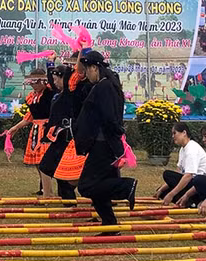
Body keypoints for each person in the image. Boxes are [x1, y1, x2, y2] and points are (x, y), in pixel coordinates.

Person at [74, 50, 136, 231]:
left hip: (103, 144)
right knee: (99, 187)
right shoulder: (105, 85)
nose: (86, 74)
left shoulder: (104, 87)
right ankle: (110, 224)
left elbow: (109, 117)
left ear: (94, 68)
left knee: (86, 186)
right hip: (103, 143)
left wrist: (115, 136)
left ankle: (126, 187)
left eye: (87, 70)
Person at [5, 68, 55, 196]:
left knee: (45, 160)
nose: (33, 85)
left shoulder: (50, 93)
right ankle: (43, 187)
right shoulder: (32, 97)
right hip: (36, 130)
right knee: (37, 161)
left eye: (36, 82)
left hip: (48, 129)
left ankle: (48, 192)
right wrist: (15, 128)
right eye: (32, 82)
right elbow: (29, 117)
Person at [51, 51, 93, 200]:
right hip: (73, 131)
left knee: (88, 172)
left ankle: (101, 199)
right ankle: (69, 201)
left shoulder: (92, 84)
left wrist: (83, 50)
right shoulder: (72, 83)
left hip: (87, 132)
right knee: (64, 173)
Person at [37, 63, 76, 200]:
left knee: (46, 166)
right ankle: (67, 200)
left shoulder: (70, 94)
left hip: (66, 137)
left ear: (64, 79)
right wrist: (50, 63)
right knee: (60, 174)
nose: (54, 83)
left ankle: (48, 195)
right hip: (58, 137)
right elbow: (53, 81)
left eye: (56, 79)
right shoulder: (58, 94)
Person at [155, 123, 206, 206]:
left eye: (174, 133)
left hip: (197, 186)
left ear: (184, 133)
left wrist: (171, 194)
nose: (173, 136)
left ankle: (193, 201)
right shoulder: (183, 149)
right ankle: (187, 202)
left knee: (167, 175)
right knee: (163, 192)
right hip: (189, 182)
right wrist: (161, 189)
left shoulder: (192, 149)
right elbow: (179, 173)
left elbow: (188, 176)